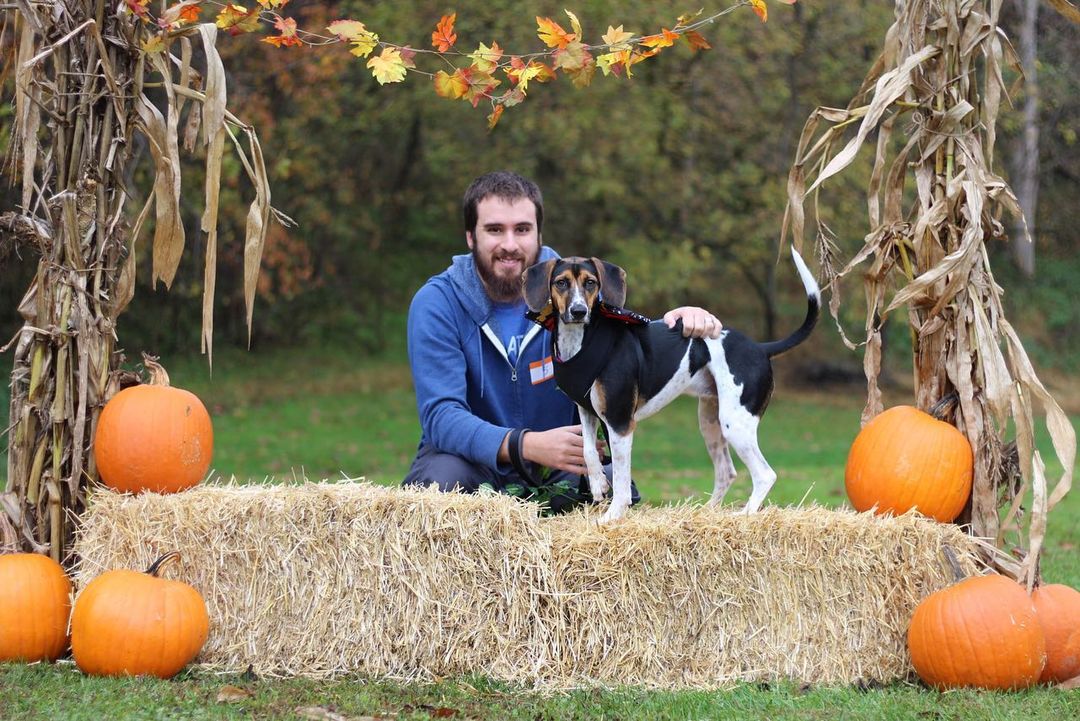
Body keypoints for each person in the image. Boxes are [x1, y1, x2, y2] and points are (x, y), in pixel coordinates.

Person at [402, 171, 722, 512]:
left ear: (539, 234)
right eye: (495, 229)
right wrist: (524, 445)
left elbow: (629, 347)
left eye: (522, 229)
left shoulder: (578, 294)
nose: (510, 244)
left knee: (613, 485)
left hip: (559, 467)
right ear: (470, 236)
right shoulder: (437, 303)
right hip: (471, 463)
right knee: (436, 484)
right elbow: (441, 417)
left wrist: (678, 323)